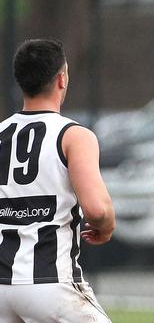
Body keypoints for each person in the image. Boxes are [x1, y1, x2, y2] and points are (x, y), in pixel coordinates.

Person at [0, 39, 115, 322]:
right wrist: (106, 225)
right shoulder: (74, 136)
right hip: (50, 283)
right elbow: (97, 210)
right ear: (62, 78)